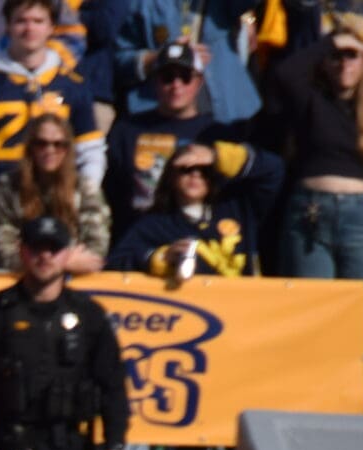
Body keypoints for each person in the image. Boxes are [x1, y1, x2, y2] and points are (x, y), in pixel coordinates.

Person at [0, 215, 129, 450]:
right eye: (36, 248)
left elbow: (113, 388)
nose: (45, 256)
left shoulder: (89, 315)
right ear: (22, 251)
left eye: (54, 249)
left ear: (67, 254)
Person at [0, 0, 103, 262]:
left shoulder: (71, 86)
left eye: (38, 21)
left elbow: (91, 153)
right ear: (8, 25)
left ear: (52, 27)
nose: (30, 29)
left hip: (57, 221)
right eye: (21, 21)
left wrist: (80, 204)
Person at [261, 25, 363, 281]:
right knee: (313, 304)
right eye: (336, 56)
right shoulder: (309, 101)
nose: (344, 63)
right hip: (311, 210)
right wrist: (330, 41)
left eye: (352, 55)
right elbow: (284, 74)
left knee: (355, 308)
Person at [105, 137, 282, 276]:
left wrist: (217, 155)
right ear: (171, 176)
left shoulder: (238, 208)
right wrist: (160, 258)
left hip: (246, 311)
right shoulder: (154, 224)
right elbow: (116, 263)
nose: (195, 175)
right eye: (186, 170)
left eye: (205, 170)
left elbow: (274, 169)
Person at [101, 39, 217, 243]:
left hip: (194, 237)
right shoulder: (127, 129)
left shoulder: (214, 132)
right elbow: (111, 190)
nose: (176, 85)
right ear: (155, 81)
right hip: (136, 237)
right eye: (167, 77)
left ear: (199, 81)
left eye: (185, 77)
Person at [0, 113, 109, 270]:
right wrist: (60, 263)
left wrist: (44, 263)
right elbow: (3, 252)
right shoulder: (8, 187)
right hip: (22, 282)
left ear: (67, 149)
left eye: (58, 144)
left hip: (74, 281)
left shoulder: (85, 189)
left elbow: (96, 248)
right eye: (41, 143)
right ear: (31, 147)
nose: (50, 150)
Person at [114, 0, 261, 124]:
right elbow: (118, 61)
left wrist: (249, 18)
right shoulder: (142, 4)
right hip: (160, 120)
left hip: (228, 113)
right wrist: (160, 58)